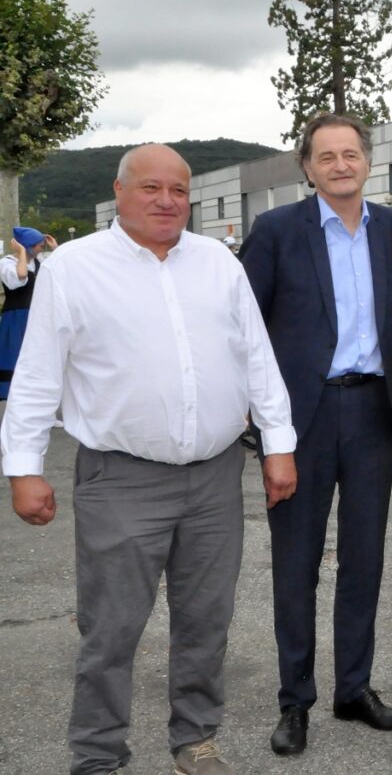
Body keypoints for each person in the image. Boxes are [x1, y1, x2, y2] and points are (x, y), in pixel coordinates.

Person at [1, 144, 298, 775]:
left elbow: (257, 359)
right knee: (110, 630)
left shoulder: (218, 263)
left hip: (216, 476)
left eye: (179, 192)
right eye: (151, 189)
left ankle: (195, 740)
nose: (167, 201)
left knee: (206, 622)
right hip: (121, 479)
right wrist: (23, 468)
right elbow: (36, 374)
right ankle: (98, 755)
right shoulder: (74, 268)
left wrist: (280, 445)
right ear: (120, 190)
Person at [239, 113, 392, 757]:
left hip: (373, 413)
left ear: (367, 161)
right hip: (301, 419)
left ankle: (354, 689)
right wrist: (262, 428)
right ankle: (296, 701)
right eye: (327, 156)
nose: (341, 164)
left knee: (364, 559)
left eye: (351, 153)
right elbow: (247, 328)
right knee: (298, 563)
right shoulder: (277, 231)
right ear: (307, 168)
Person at [0, 226, 55, 399]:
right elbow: (21, 275)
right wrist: (22, 251)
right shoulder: (7, 262)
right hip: (16, 318)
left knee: (39, 361)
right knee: (16, 359)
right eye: (39, 245)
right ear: (28, 245)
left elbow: (61, 268)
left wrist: (55, 248)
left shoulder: (39, 263)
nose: (42, 249)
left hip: (36, 316)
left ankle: (41, 406)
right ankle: (16, 409)